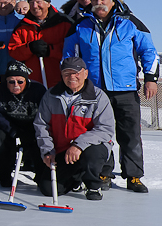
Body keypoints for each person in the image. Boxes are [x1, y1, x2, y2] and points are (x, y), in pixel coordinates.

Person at [62, 0, 159, 193]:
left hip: (125, 88)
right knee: (99, 133)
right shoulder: (81, 26)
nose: (99, 3)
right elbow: (69, 57)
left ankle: (133, 177)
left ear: (113, 1)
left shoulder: (130, 23)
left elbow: (149, 50)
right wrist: (73, 80)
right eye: (96, 0)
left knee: (130, 134)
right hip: (94, 91)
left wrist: (151, 78)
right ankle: (104, 172)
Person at [34, 57, 115, 200]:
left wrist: (78, 144)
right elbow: (41, 125)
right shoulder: (51, 95)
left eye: (76, 72)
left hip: (88, 148)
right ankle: (76, 178)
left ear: (85, 73)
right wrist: (47, 150)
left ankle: (93, 185)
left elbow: (105, 129)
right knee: (48, 189)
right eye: (66, 73)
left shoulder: (99, 96)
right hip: (63, 150)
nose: (71, 77)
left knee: (93, 153)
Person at [0, 61, 46, 187]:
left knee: (40, 142)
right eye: (11, 81)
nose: (16, 85)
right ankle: (4, 177)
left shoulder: (38, 90)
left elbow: (45, 114)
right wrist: (14, 132)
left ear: (26, 80)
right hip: (10, 125)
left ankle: (42, 175)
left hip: (33, 125)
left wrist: (34, 130)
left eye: (20, 81)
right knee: (1, 139)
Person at [7, 0, 73, 89]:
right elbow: (13, 51)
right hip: (33, 82)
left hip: (60, 80)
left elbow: (73, 49)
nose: (35, 6)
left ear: (48, 3)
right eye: (31, 3)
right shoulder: (23, 26)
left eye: (38, 2)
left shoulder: (63, 22)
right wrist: (29, 48)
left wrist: (50, 50)